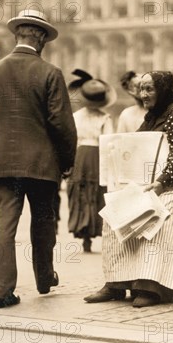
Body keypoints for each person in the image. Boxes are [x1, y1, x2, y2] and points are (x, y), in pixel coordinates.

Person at [0, 9, 77, 309]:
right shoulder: (50, 73)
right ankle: (45, 278)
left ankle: (1, 292)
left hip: (2, 163)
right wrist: (66, 160)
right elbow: (61, 123)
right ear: (42, 38)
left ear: (18, 34)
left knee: (2, 228)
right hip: (41, 165)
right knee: (44, 222)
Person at [84, 70, 173, 308]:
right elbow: (135, 147)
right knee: (113, 215)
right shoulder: (150, 117)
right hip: (152, 185)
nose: (144, 94)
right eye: (142, 89)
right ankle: (116, 283)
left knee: (155, 217)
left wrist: (161, 182)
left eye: (150, 89)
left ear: (163, 90)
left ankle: (151, 285)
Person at [66, 70, 116, 253]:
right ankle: (93, 232)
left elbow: (71, 139)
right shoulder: (104, 118)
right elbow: (109, 141)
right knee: (96, 192)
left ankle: (84, 235)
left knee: (81, 192)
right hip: (97, 156)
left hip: (80, 156)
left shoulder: (75, 116)